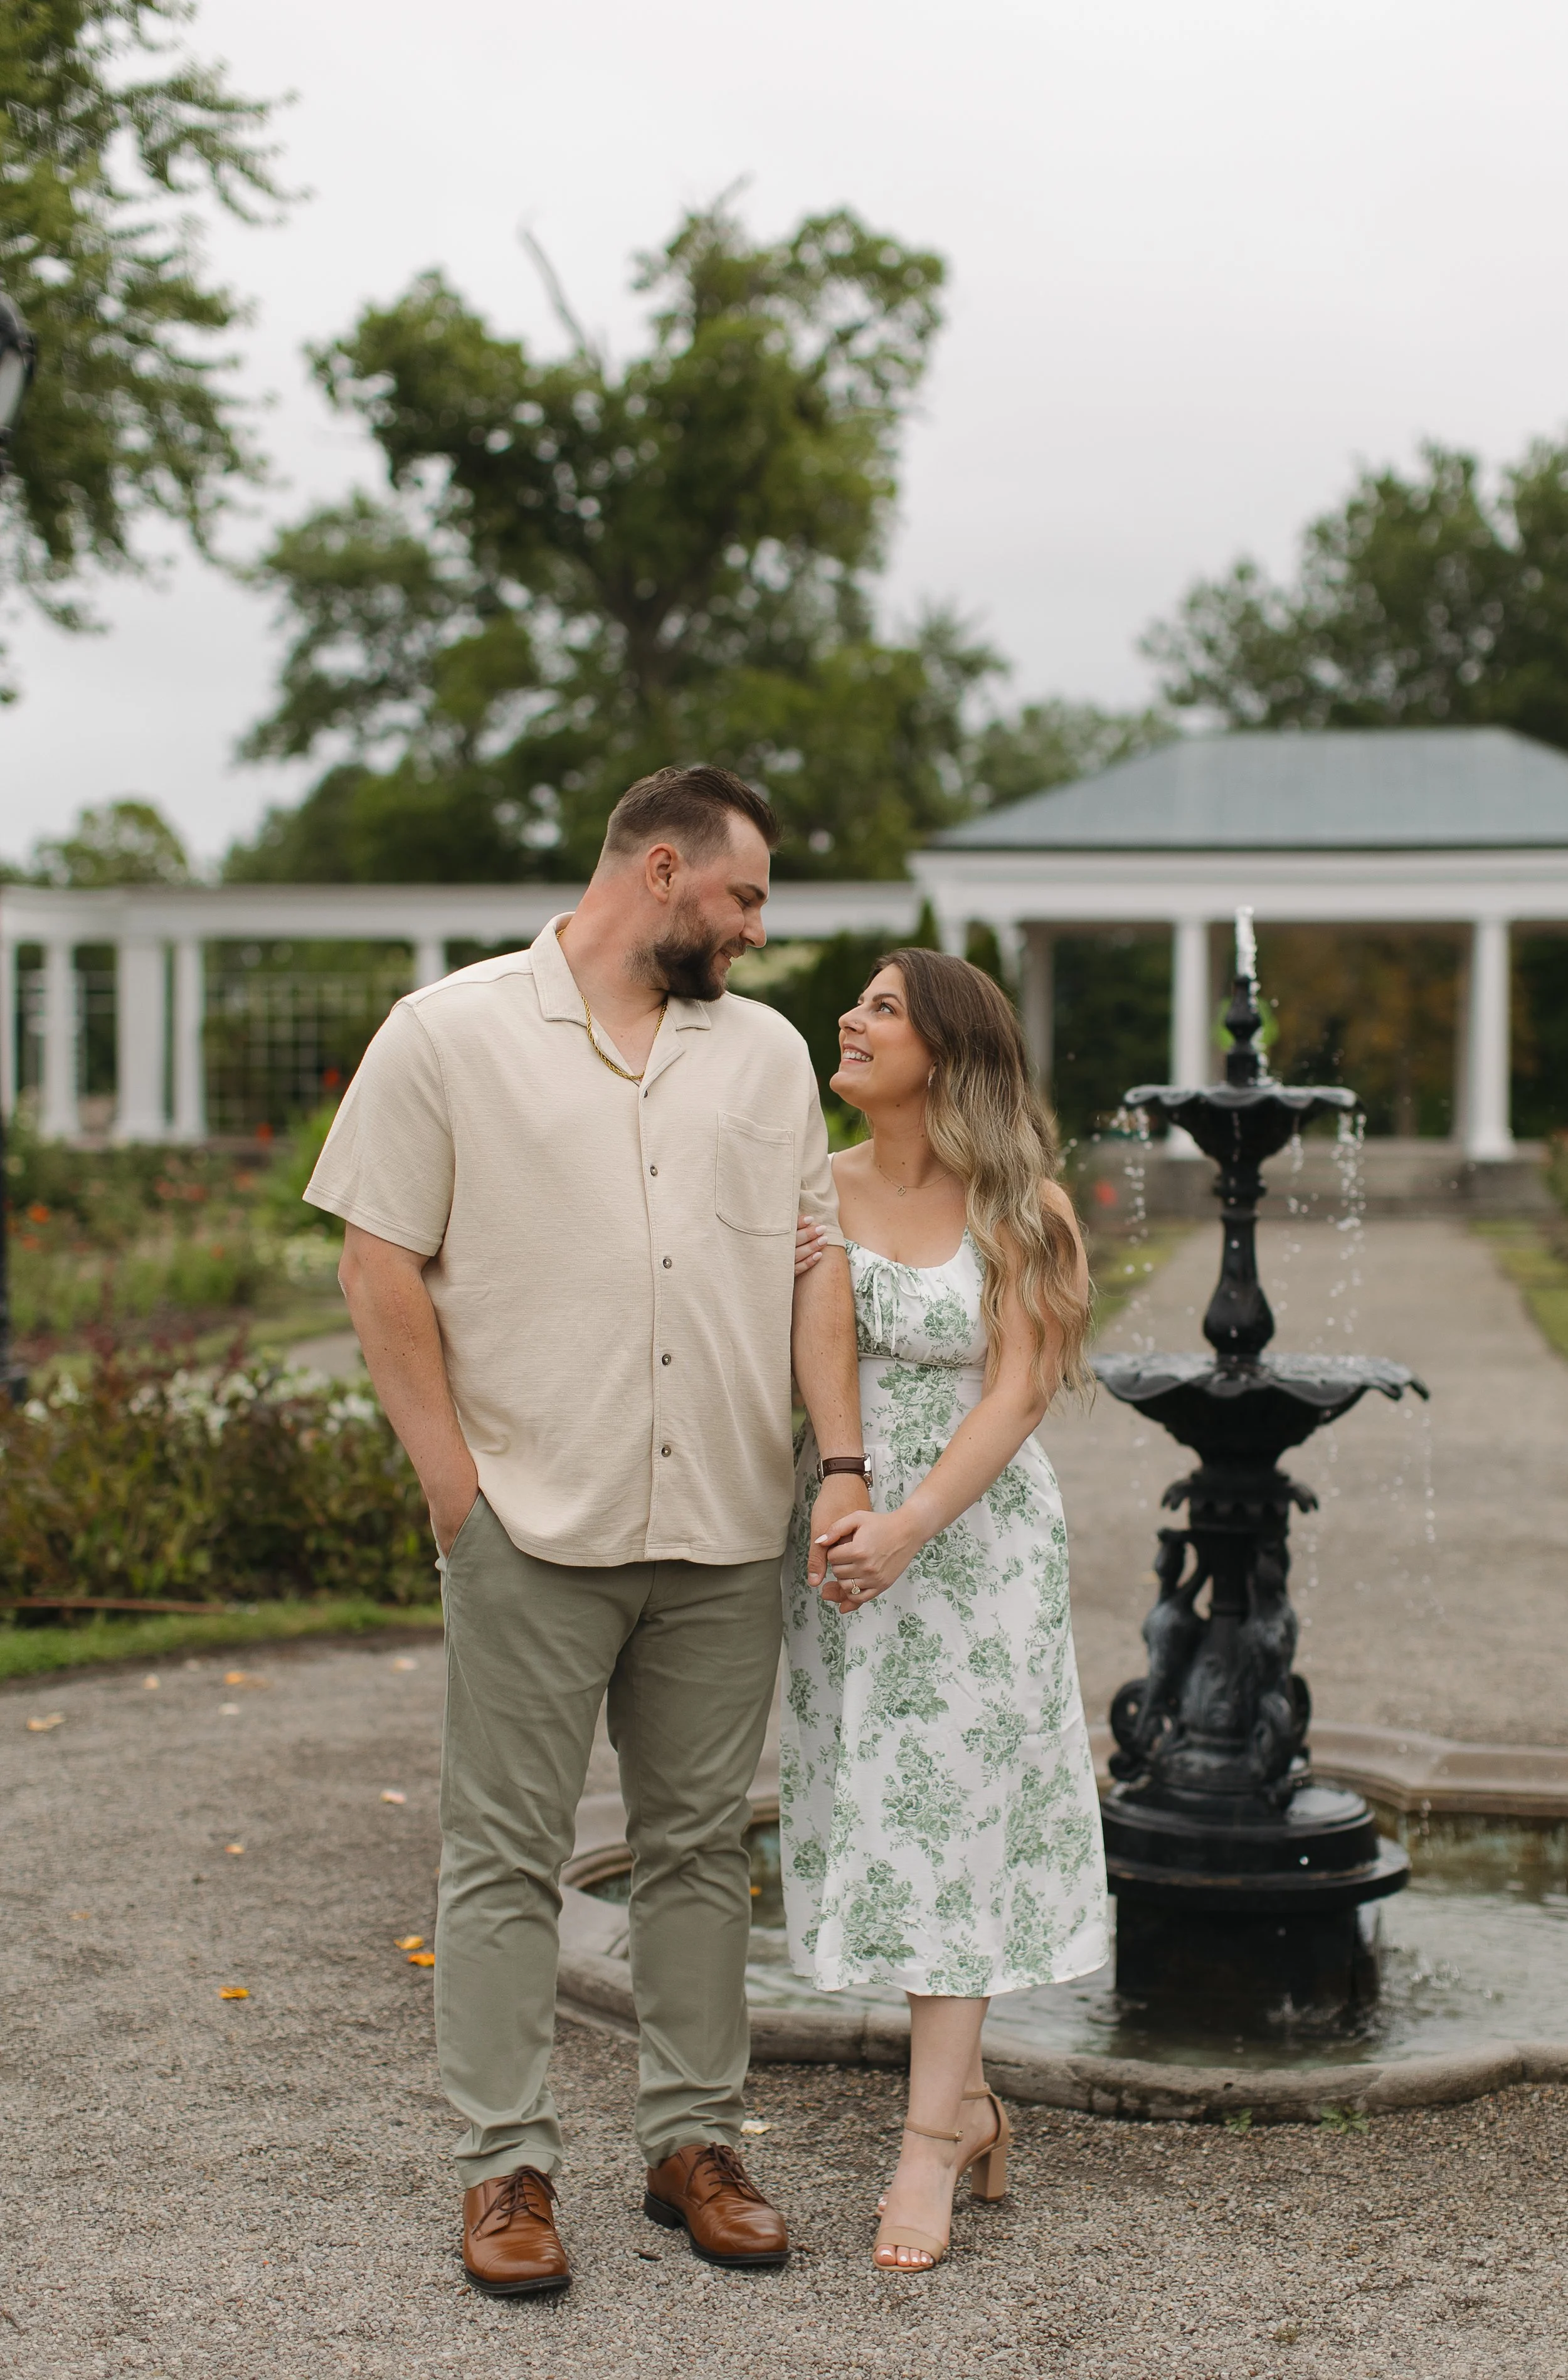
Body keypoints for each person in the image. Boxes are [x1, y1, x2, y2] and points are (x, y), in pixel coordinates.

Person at [305, 765, 869, 2296]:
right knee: (503, 1855)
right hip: (528, 1522)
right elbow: (376, 1261)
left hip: (719, 1521)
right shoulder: (448, 1031)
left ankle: (691, 2142)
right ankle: (505, 2169)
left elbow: (815, 1262)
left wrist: (837, 1460)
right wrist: (452, 1485)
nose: (758, 932)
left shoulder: (758, 1060)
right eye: (745, 897)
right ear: (667, 871)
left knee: (693, 1850)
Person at [783, 948, 1108, 2273]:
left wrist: (916, 1523)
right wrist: (851, 1488)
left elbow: (1019, 1390)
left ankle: (924, 2141)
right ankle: (969, 2107)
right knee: (883, 1810)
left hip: (974, 1550)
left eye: (880, 1009)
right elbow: (820, 1339)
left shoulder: (1025, 1204)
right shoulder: (816, 1185)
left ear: (947, 1053)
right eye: (854, 1003)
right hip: (841, 1534)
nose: (849, 1022)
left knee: (954, 1826)